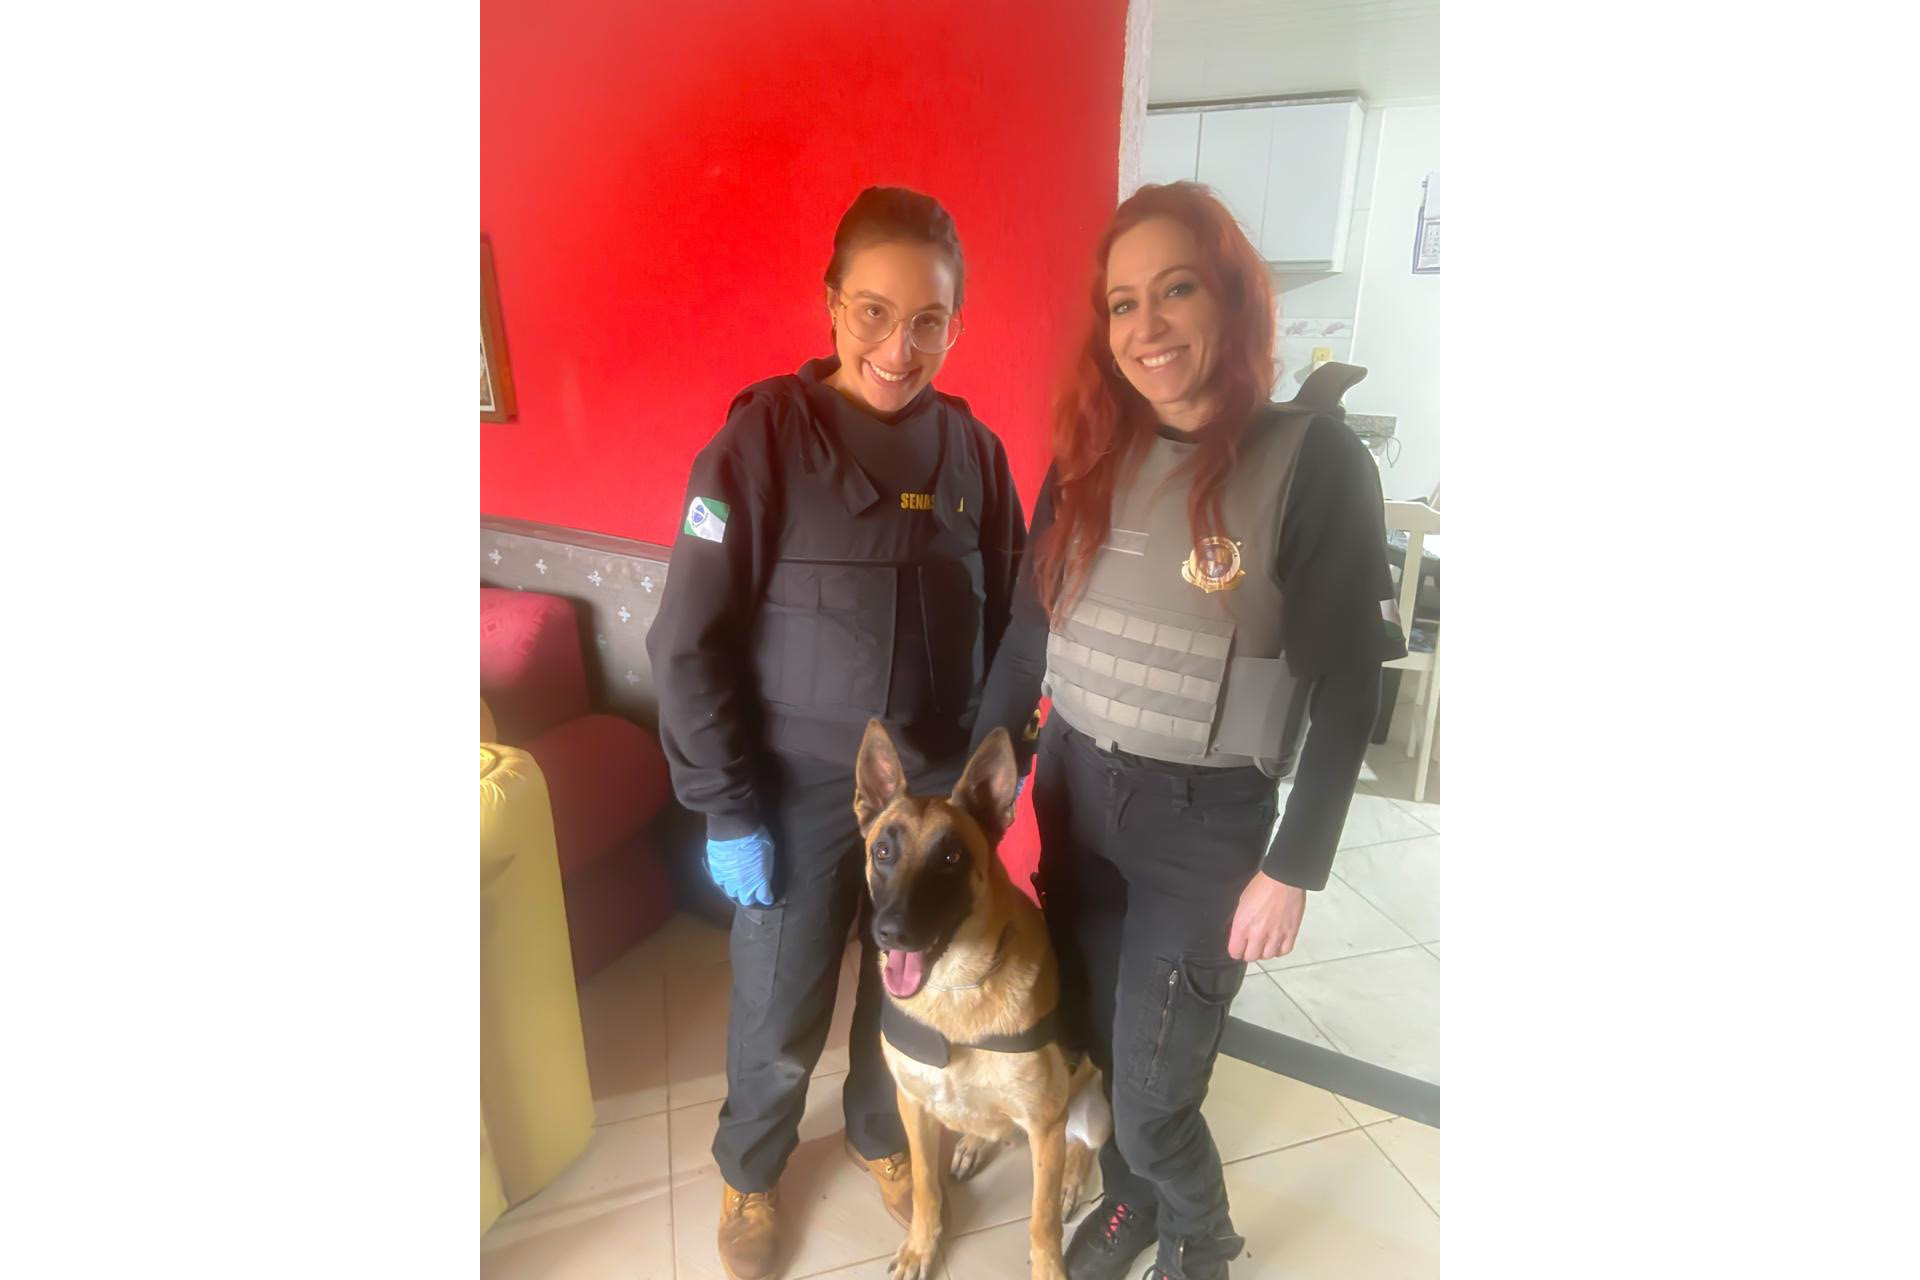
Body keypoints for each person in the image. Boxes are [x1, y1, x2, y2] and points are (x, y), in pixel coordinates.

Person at [970, 181, 1404, 1280]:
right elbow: (1026, 641)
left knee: (1160, 1089)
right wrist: (971, 805)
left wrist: (1292, 867)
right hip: (1076, 798)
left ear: (1231, 298)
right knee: (1098, 1045)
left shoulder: (1315, 465)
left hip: (1203, 829)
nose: (1147, 326)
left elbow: (1350, 687)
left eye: (1176, 290)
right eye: (1122, 303)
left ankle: (1204, 1243)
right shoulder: (1087, 453)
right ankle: (1131, 1204)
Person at [645, 186, 1026, 1280]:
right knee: (780, 1001)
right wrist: (724, 805)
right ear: (830, 303)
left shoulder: (976, 455)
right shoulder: (759, 441)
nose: (898, 348)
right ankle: (750, 1167)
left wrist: (1001, 769)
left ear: (957, 324)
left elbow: (1014, 626)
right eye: (873, 312)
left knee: (908, 985)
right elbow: (687, 639)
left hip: (939, 787)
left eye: (927, 321)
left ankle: (877, 1132)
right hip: (799, 786)